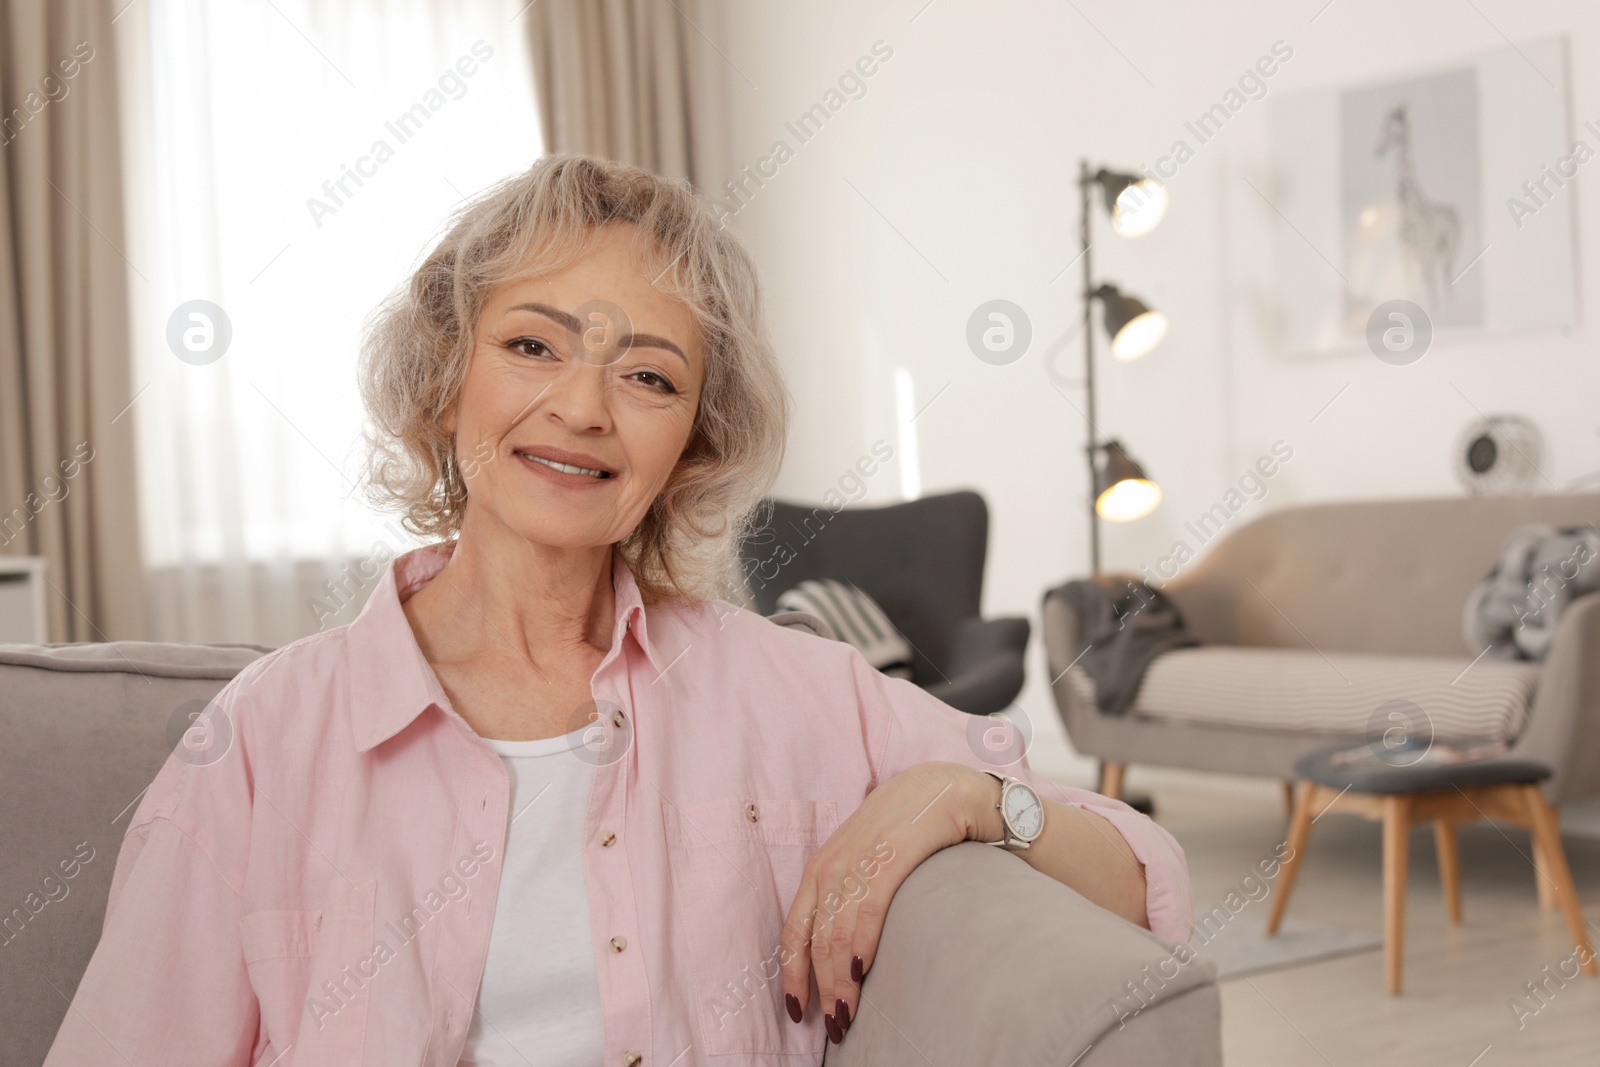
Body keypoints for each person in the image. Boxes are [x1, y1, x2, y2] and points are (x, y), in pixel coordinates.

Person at [45, 155, 1191, 1067]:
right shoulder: (262, 738)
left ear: (693, 437)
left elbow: (1141, 877)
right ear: (448, 381)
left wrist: (966, 793)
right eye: (532, 344)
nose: (583, 408)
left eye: (648, 374)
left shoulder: (785, 687)